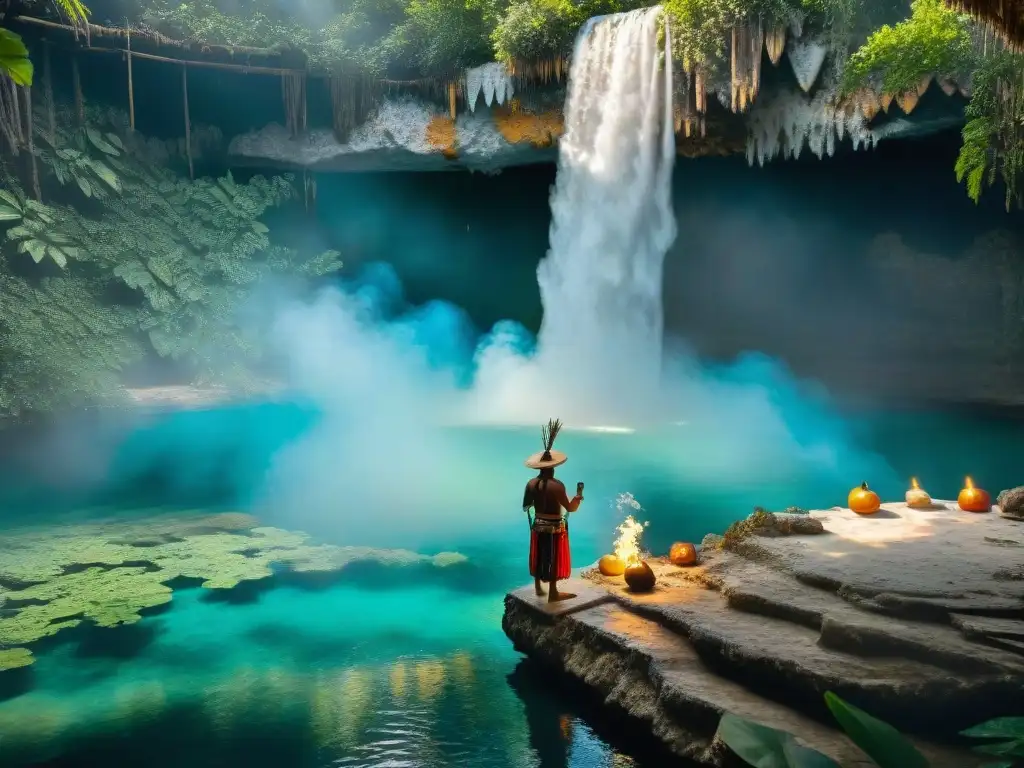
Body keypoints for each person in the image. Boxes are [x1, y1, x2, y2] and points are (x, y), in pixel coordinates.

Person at [522, 418, 583, 603]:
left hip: (538, 525)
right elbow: (570, 508)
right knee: (553, 558)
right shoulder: (557, 486)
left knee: (539, 554)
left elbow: (526, 506)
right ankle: (553, 593)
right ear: (553, 467)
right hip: (555, 527)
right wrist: (578, 495)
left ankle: (538, 587)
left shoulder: (531, 483)